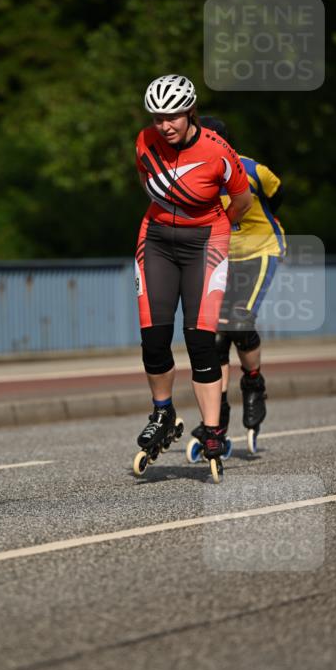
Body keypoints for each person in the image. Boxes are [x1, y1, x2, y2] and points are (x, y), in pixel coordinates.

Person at [133, 75, 252, 477]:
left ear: (189, 112)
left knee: (200, 340)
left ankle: (214, 429)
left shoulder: (218, 150)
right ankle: (163, 414)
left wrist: (217, 227)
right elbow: (150, 187)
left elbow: (242, 200)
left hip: (207, 240)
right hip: (156, 240)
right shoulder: (144, 141)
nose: (164, 125)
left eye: (172, 116)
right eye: (158, 117)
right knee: (153, 338)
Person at [196, 116, 286, 452]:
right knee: (213, 334)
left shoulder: (254, 171)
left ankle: (253, 382)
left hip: (260, 250)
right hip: (221, 256)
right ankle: (215, 415)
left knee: (239, 317)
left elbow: (276, 198)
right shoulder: (195, 178)